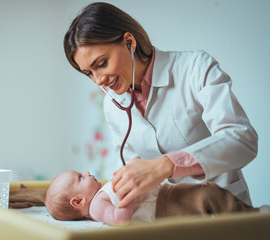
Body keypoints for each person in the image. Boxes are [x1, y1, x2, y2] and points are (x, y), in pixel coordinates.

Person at [63, 2, 258, 208]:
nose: (98, 80)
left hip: (223, 211)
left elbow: (242, 140)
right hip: (167, 218)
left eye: (101, 64)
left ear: (129, 42)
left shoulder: (194, 68)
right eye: (89, 74)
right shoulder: (113, 105)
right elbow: (130, 170)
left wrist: (167, 165)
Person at [44, 170, 256, 226]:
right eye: (81, 177)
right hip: (163, 207)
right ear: (78, 201)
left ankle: (250, 217)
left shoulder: (99, 195)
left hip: (163, 194)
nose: (88, 173)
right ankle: (254, 220)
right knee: (207, 196)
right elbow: (120, 219)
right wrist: (129, 196)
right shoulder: (97, 207)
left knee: (209, 192)